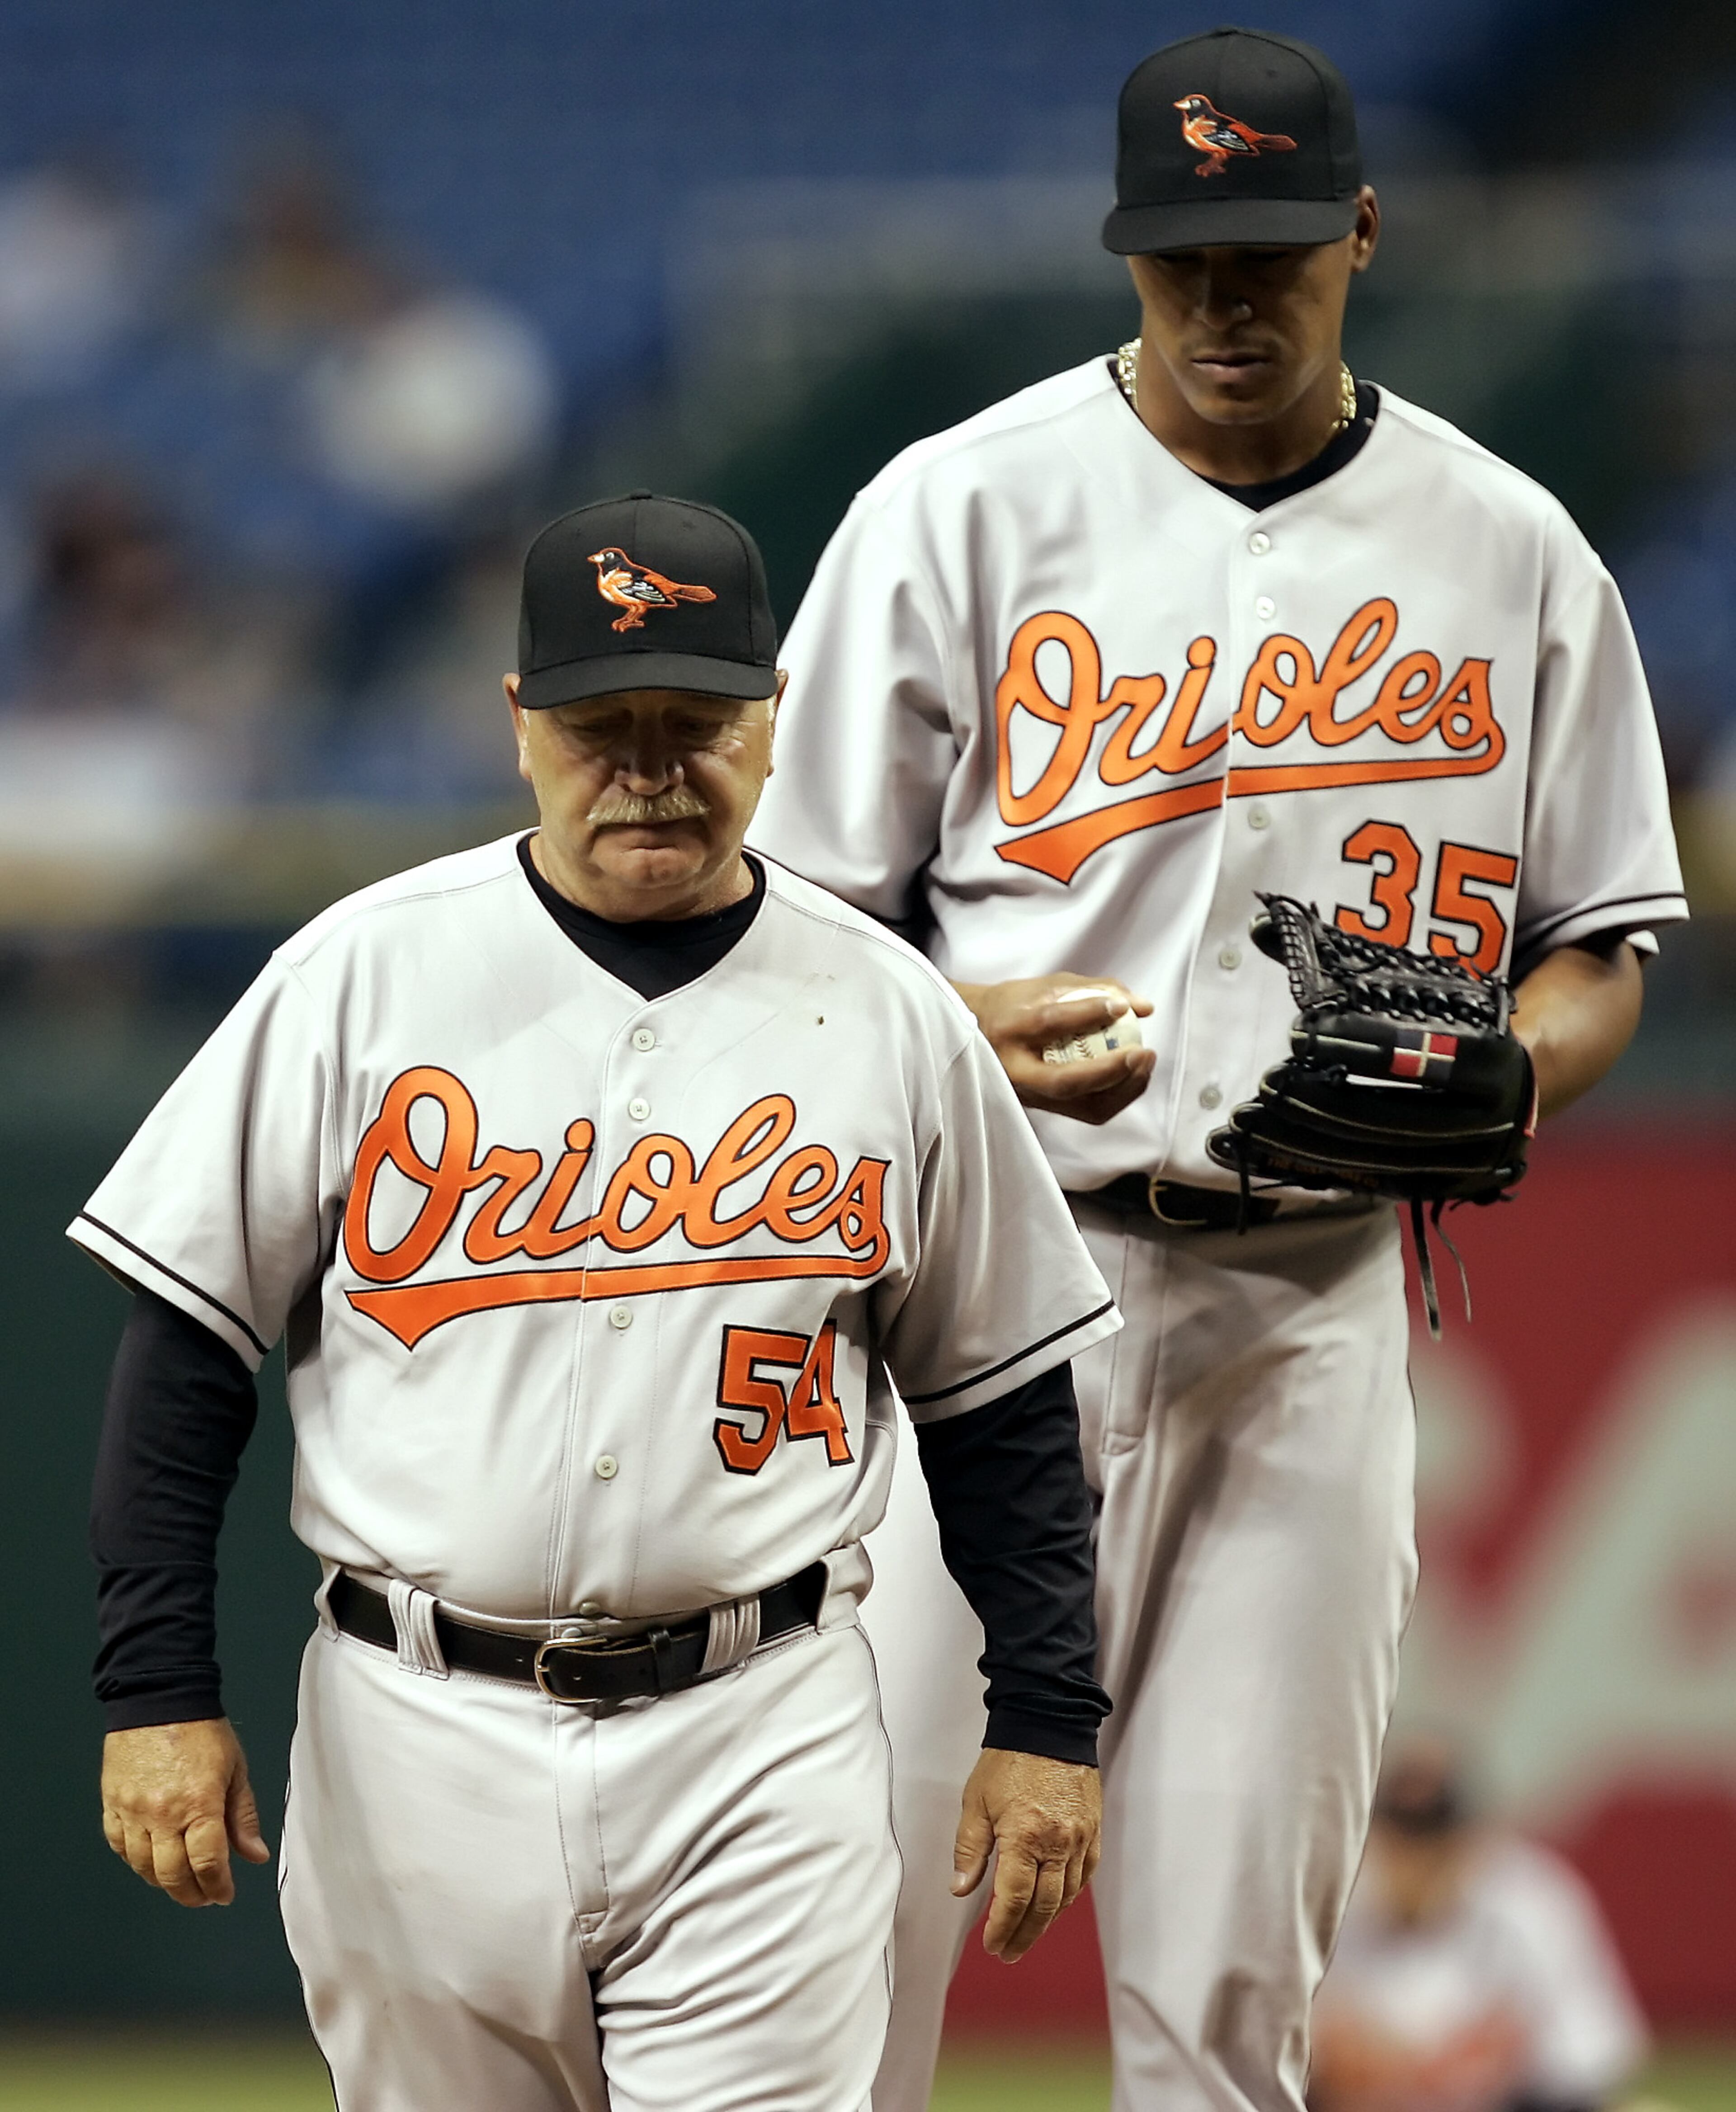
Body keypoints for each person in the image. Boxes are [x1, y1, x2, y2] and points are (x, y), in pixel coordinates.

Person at [748, 26, 1685, 2112]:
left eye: (1270, 249)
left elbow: (1601, 945)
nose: (1227, 299)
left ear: (1359, 233)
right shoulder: (958, 507)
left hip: (1316, 1309)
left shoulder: (1511, 542)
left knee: (1234, 1984)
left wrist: (1518, 1079)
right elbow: (773, 942)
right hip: (980, 1309)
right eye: (1186, 258)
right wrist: (940, 1028)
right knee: (847, 1936)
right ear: (1123, 252)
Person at [75, 492, 1120, 2112]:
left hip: (760, 1730)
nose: (648, 763)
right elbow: (187, 1346)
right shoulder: (361, 971)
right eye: (599, 722)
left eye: (693, 719)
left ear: (771, 721)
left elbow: (1000, 1404)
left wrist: (1050, 1713)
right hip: (410, 1724)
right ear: (517, 725)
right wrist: (153, 1692)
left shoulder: (891, 1010)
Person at [1311, 1740, 1648, 2112]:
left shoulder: (1533, 1900)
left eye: (1434, 1837)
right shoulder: (1329, 1904)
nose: (1417, 1859)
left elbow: (1590, 2060)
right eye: (1403, 1837)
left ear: (1473, 1835)